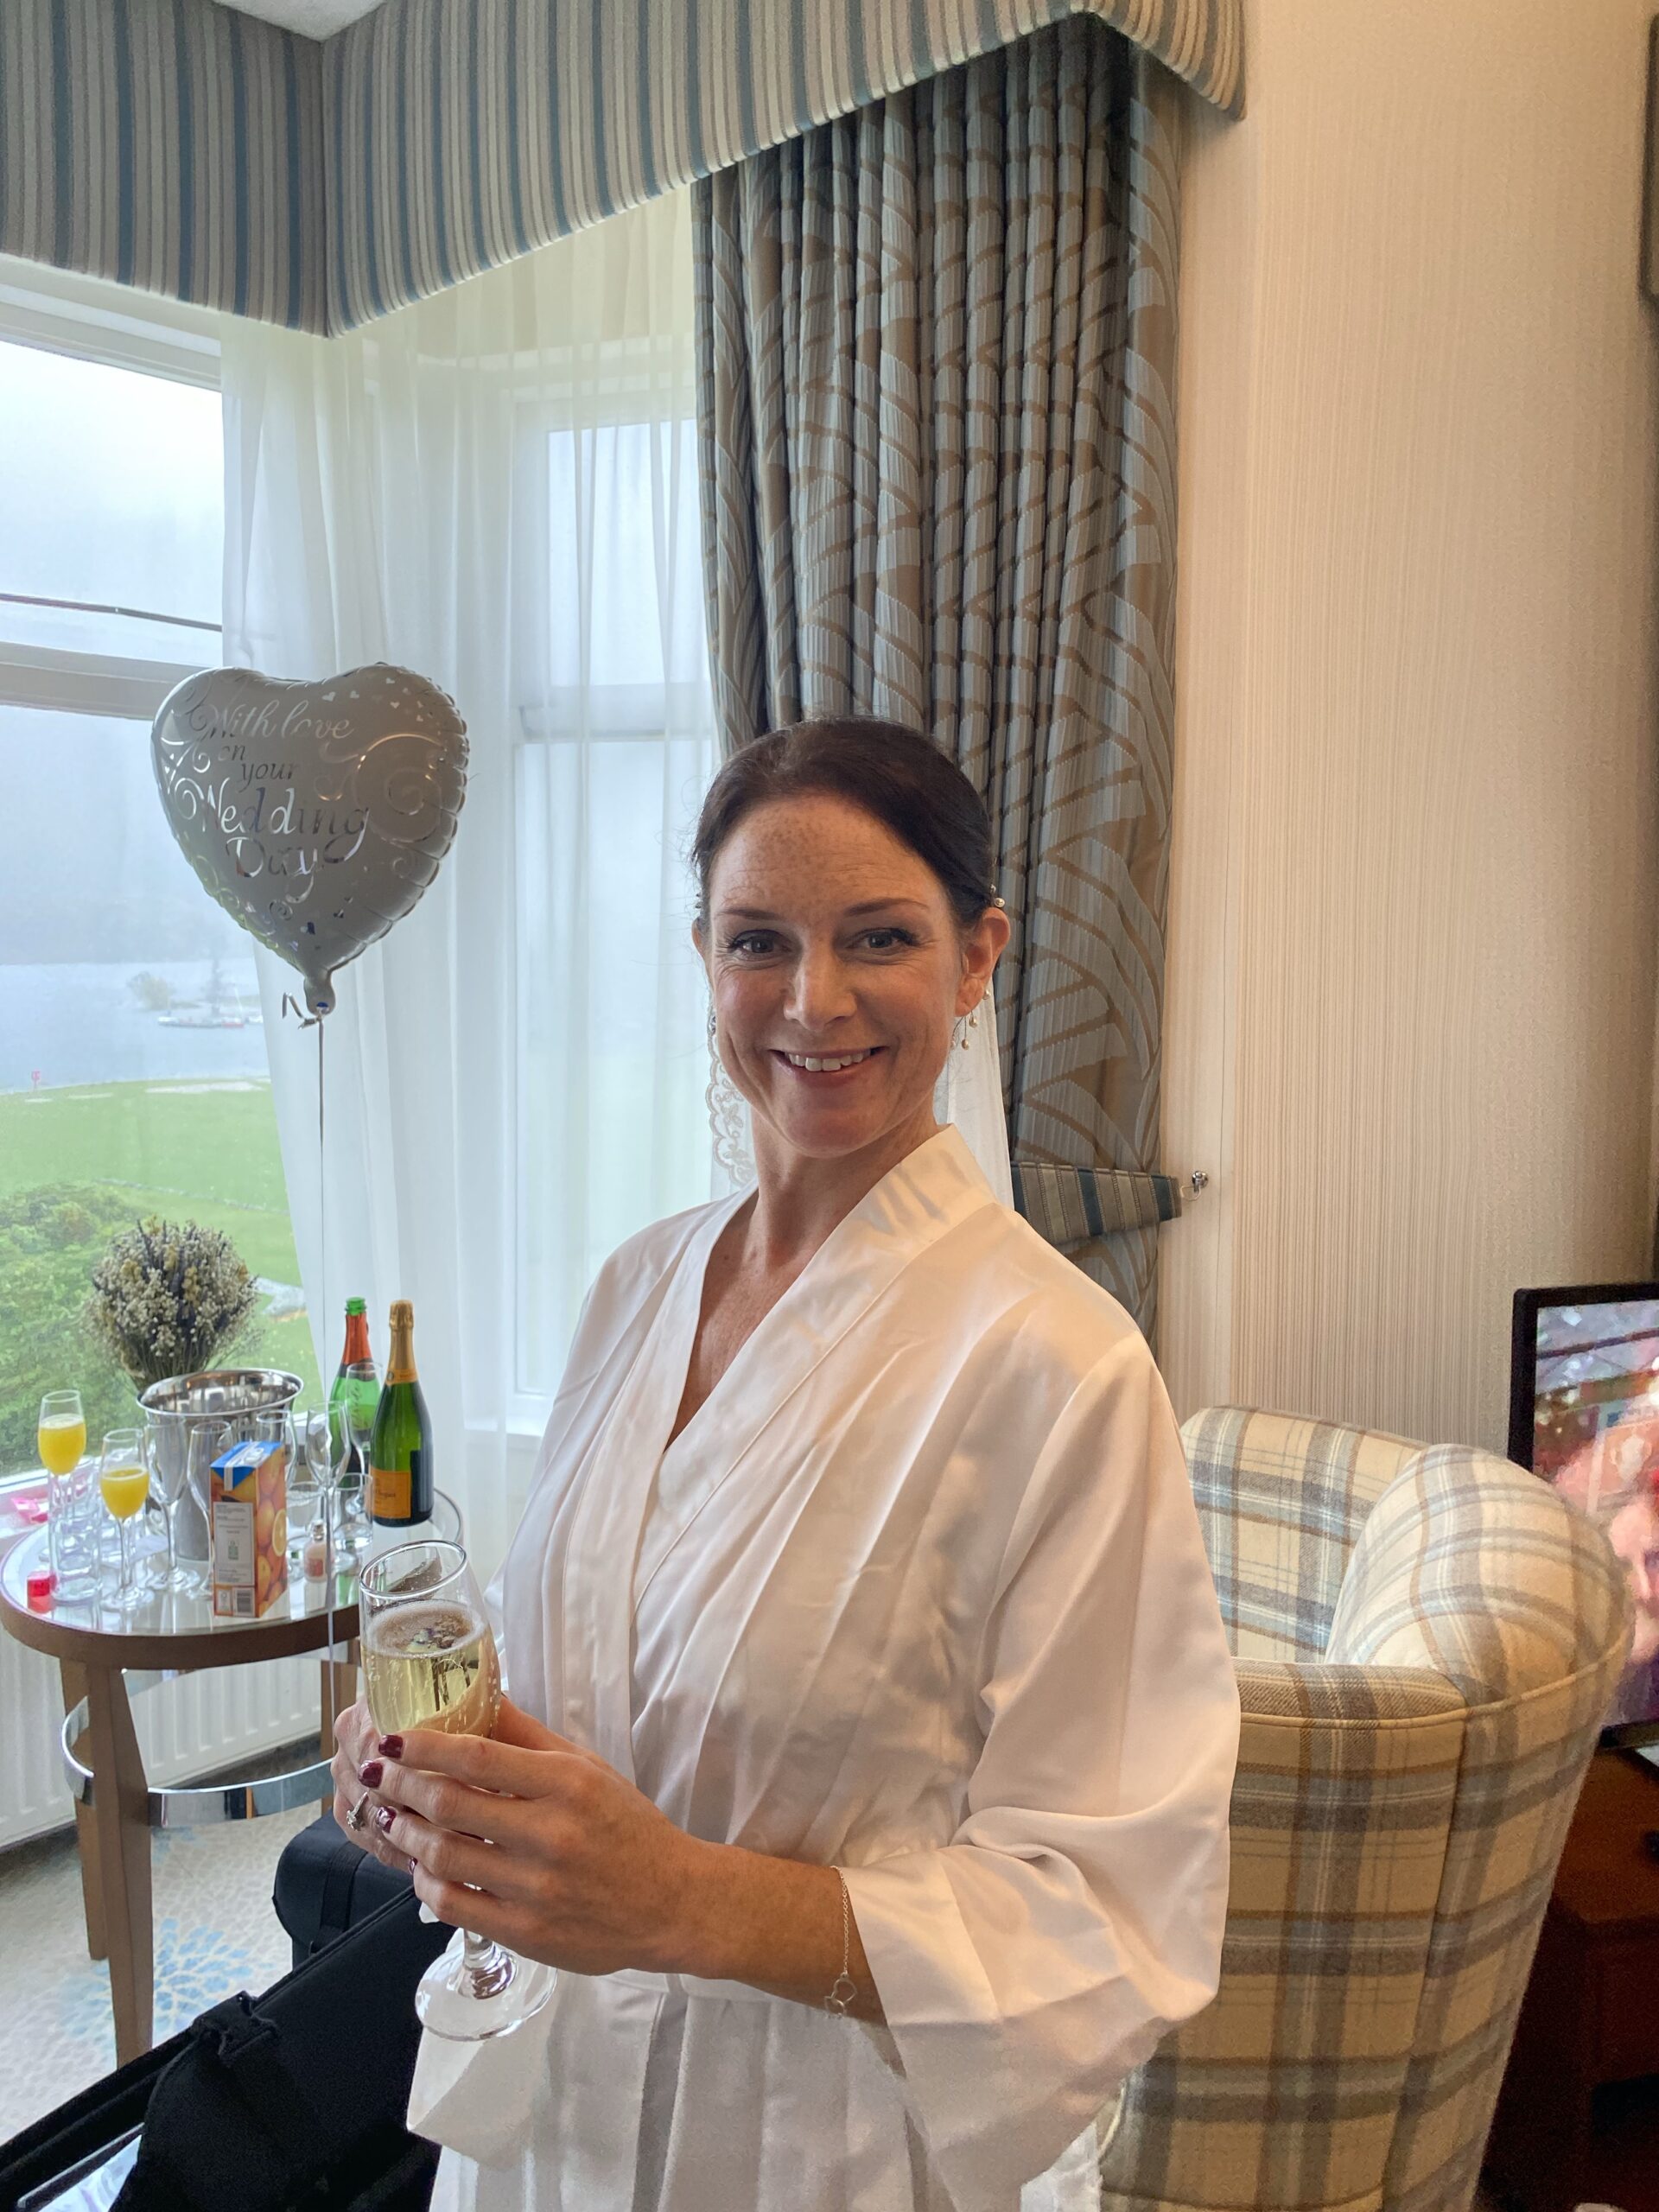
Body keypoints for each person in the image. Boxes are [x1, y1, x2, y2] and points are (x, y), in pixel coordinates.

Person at [331, 718, 1240, 2212]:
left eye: (879, 937)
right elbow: (606, 1693)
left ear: (976, 958)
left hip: (819, 2151)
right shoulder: (634, 1290)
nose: (815, 999)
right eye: (759, 940)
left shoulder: (1059, 1369)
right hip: (555, 2126)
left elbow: (1109, 1912)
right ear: (704, 959)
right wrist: (446, 1782)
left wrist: (685, 1902)